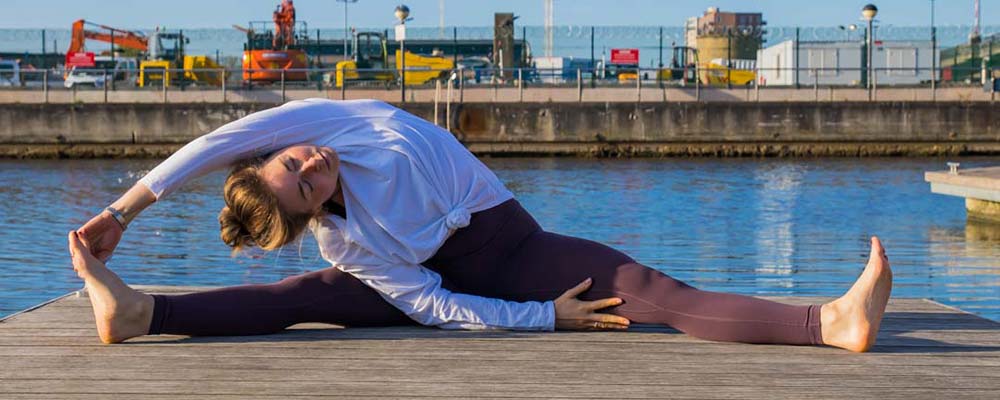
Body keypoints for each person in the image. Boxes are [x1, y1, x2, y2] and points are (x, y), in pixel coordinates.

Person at [70, 99, 892, 352]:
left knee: (647, 291)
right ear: (312, 211)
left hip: (508, 252)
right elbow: (429, 306)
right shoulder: (342, 239)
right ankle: (829, 324)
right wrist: (547, 317)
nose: (312, 163)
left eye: (295, 163)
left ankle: (822, 322)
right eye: (305, 183)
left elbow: (217, 145)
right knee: (303, 292)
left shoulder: (339, 123)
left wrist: (122, 210)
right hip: (477, 272)